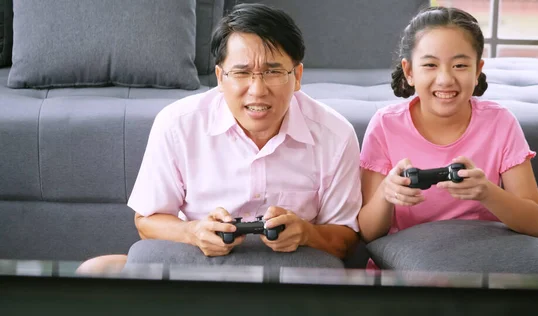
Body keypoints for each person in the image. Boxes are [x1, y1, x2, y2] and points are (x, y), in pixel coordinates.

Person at [77, 3, 361, 274]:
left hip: (293, 269)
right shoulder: (177, 124)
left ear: (297, 76)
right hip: (199, 262)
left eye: (273, 72)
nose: (257, 90)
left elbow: (346, 240)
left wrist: (308, 233)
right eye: (242, 73)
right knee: (93, 270)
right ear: (220, 77)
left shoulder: (335, 134)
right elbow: (147, 222)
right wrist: (193, 231)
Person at [358, 6, 538, 268]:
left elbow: (536, 223)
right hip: (406, 268)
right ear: (409, 71)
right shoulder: (385, 125)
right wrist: (386, 194)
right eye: (430, 65)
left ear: (478, 69)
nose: (445, 79)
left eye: (460, 65)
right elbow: (368, 233)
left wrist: (487, 193)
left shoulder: (500, 123)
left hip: (480, 264)